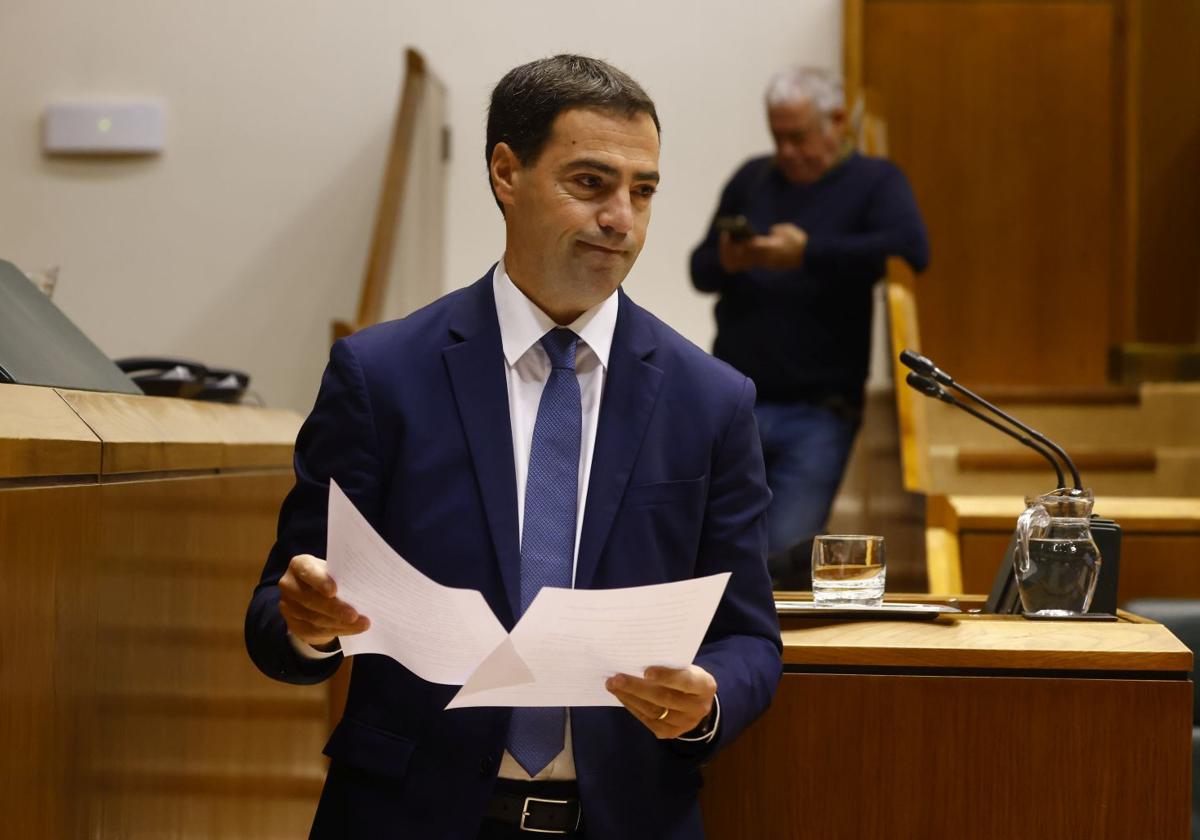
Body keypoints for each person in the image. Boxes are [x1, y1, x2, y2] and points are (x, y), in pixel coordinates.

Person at [245, 55, 782, 839]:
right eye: (592, 184)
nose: (622, 219)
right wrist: (308, 621)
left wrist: (709, 699)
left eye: (644, 191)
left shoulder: (713, 401)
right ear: (506, 172)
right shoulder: (381, 375)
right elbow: (277, 613)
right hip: (406, 814)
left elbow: (749, 638)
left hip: (625, 818)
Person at [689, 66, 929, 590]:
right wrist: (732, 260)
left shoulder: (876, 181)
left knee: (780, 560)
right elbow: (699, 268)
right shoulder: (752, 177)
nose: (787, 151)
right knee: (712, 547)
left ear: (837, 122)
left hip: (820, 410)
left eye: (798, 137)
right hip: (735, 401)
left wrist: (808, 253)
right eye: (778, 136)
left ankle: (771, 665)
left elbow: (912, 250)